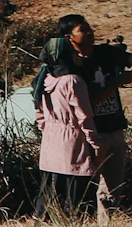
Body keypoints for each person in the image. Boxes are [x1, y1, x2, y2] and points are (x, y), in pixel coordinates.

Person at [59, 15, 127, 212]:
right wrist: (117, 82)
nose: (90, 32)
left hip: (114, 129)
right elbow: (85, 102)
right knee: (81, 189)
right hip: (89, 135)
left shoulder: (106, 53)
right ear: (68, 36)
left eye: (89, 27)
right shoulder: (69, 67)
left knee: (113, 190)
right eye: (82, 29)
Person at [37, 31, 104, 221]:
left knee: (50, 196)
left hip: (51, 145)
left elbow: (40, 116)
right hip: (73, 145)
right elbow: (85, 117)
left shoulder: (45, 79)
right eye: (74, 53)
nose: (79, 55)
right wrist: (95, 144)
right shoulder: (73, 81)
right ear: (66, 57)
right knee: (75, 200)